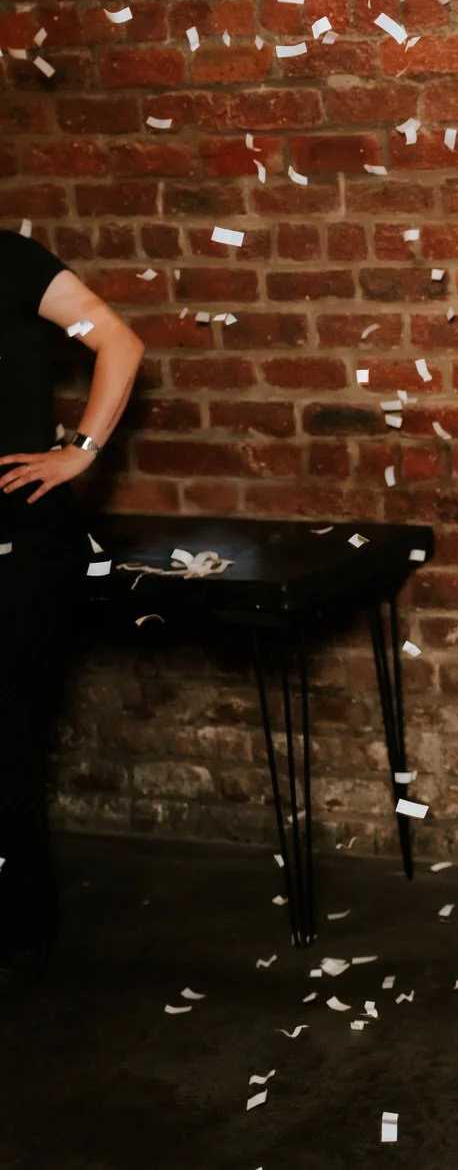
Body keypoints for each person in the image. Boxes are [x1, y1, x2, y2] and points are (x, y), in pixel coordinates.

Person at [0, 231, 144, 1000]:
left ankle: (22, 937)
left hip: (19, 541)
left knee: (6, 743)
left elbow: (118, 340)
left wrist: (82, 449)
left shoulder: (11, 264)